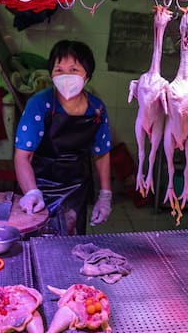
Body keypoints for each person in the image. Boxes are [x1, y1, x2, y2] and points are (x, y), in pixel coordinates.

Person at [13, 40, 113, 235]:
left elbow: (101, 153)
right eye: (59, 70)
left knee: (69, 242)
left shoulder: (97, 109)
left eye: (74, 69)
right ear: (51, 74)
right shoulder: (39, 104)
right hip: (37, 183)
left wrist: (105, 194)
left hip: (76, 187)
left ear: (87, 74)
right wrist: (31, 192)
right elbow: (22, 156)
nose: (66, 76)